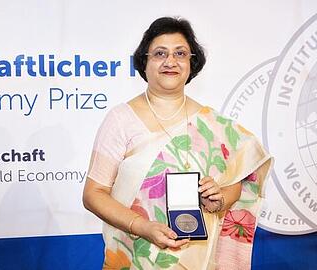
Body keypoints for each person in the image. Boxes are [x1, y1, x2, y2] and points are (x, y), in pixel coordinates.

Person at [83, 17, 272, 270]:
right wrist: (142, 226)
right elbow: (94, 194)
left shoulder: (214, 124)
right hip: (136, 256)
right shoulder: (121, 119)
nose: (170, 61)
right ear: (144, 62)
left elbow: (235, 185)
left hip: (198, 259)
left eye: (180, 53)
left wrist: (219, 198)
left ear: (191, 64)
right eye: (160, 53)